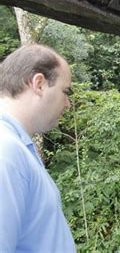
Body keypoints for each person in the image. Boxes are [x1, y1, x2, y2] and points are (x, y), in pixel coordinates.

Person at [0, 45, 76, 252]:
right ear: (39, 84)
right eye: (65, 91)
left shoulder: (18, 146)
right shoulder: (6, 151)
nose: (67, 103)